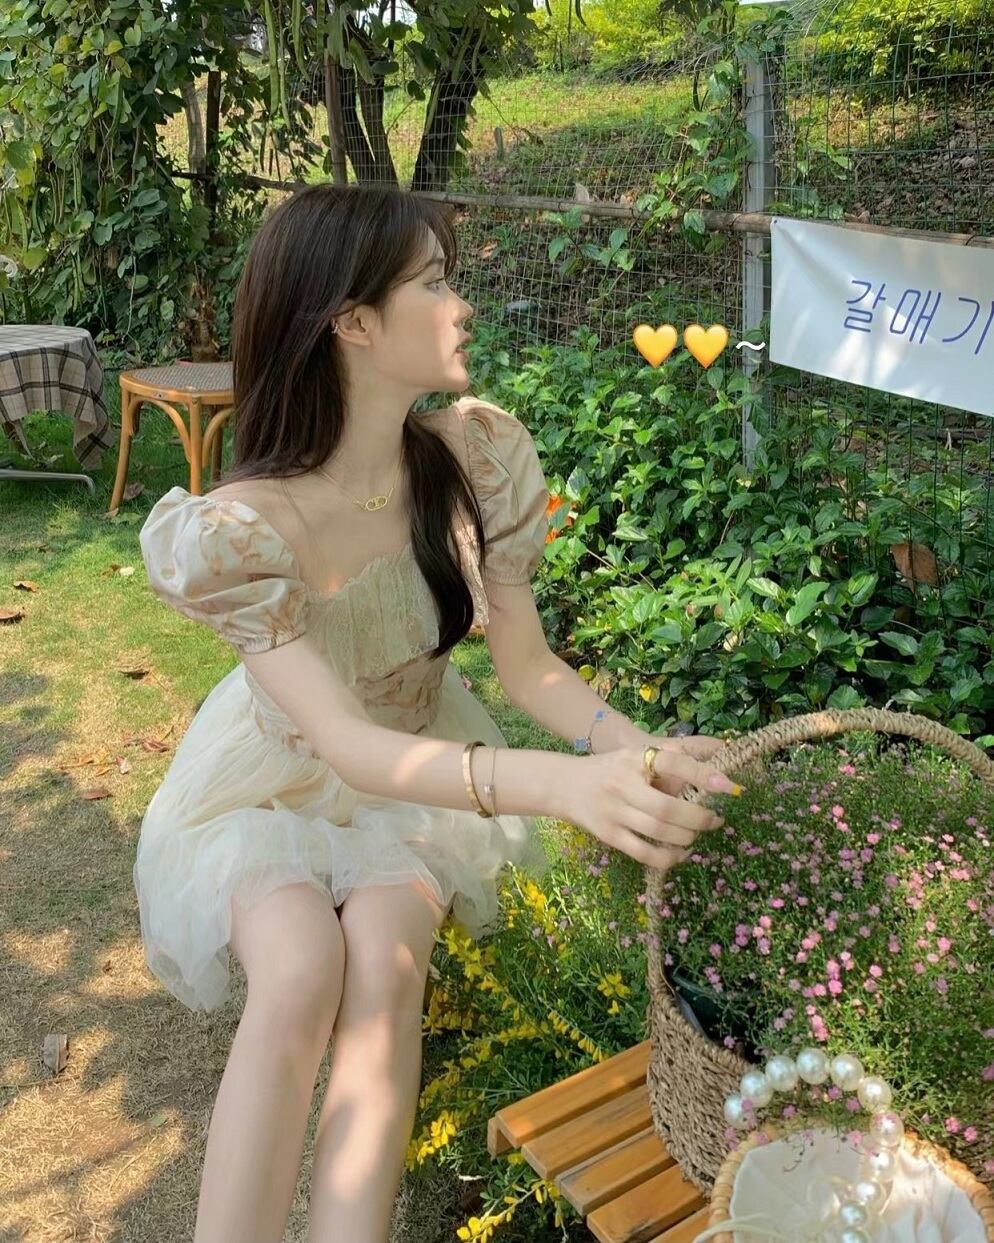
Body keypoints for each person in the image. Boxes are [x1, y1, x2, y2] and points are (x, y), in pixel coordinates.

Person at [134, 183, 740, 1243]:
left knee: (385, 962)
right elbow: (346, 745)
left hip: (420, 769)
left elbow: (530, 667)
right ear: (352, 322)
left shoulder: (471, 459)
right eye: (433, 283)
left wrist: (641, 753)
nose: (461, 307)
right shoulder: (242, 529)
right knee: (298, 968)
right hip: (275, 776)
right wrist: (564, 787)